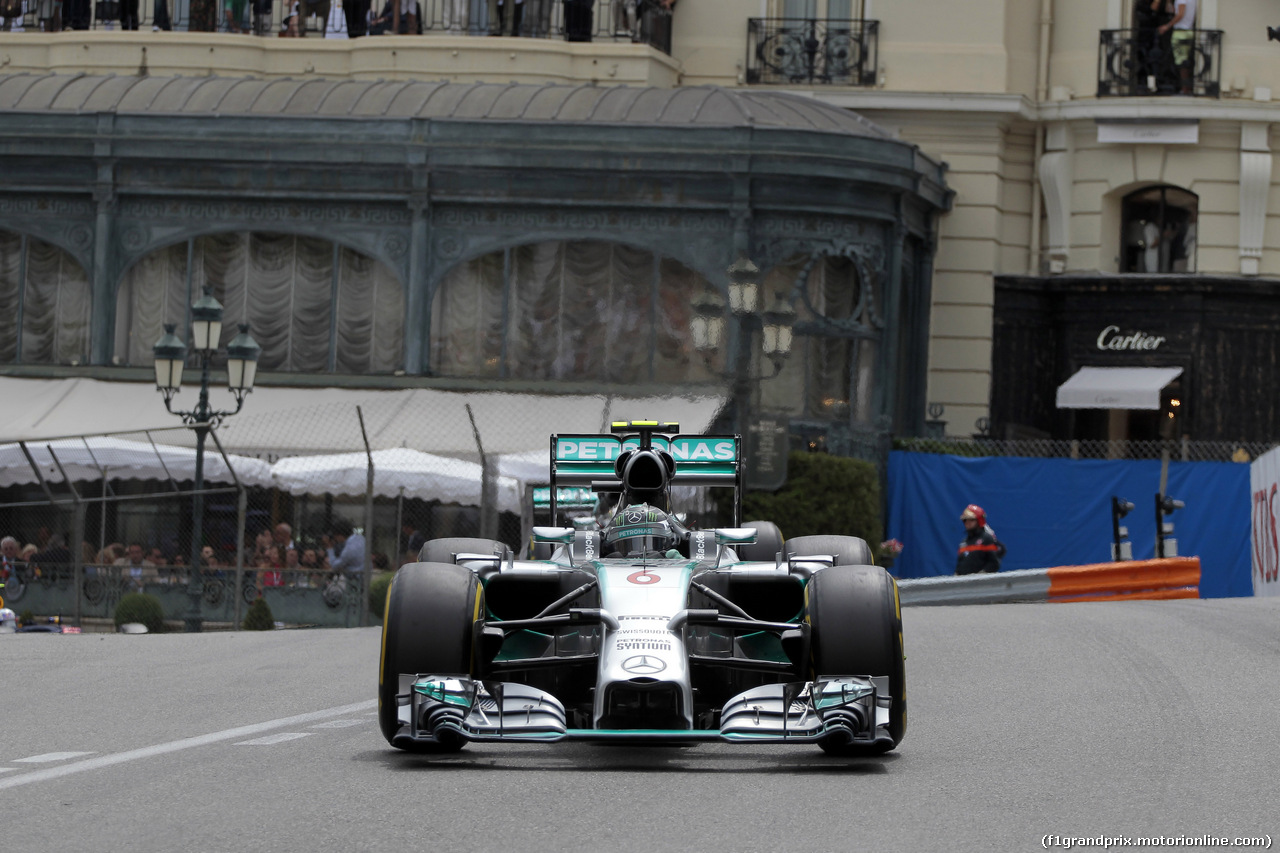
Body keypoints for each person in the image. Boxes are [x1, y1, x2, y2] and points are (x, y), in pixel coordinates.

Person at [1156, 0, 1196, 95]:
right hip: (1189, 31)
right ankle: (1188, 87)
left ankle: (1184, 89)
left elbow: (1180, 14)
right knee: (1186, 60)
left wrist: (1167, 26)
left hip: (1181, 32)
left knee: (1181, 61)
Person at [956, 505, 1003, 575]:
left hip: (981, 584)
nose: (967, 523)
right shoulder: (964, 542)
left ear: (979, 520)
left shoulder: (987, 539)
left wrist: (981, 575)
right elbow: (960, 564)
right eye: (965, 520)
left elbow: (994, 563)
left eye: (971, 520)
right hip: (963, 584)